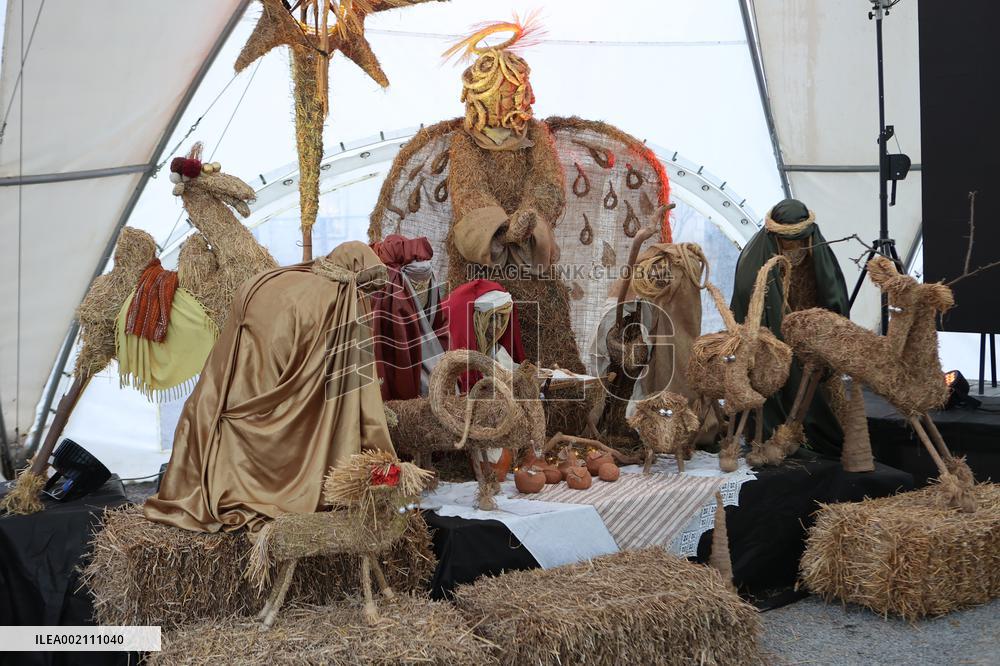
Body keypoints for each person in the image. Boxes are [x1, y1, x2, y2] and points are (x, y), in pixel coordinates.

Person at [145, 242, 393, 532]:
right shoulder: (343, 304)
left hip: (230, 384)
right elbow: (353, 389)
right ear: (358, 278)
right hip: (272, 425)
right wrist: (380, 454)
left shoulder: (277, 277)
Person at [730, 199, 849, 455]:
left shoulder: (818, 254)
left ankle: (809, 433)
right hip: (772, 341)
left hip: (810, 340)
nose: (794, 248)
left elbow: (833, 295)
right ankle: (774, 434)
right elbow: (749, 303)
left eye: (799, 240)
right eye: (788, 241)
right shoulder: (756, 259)